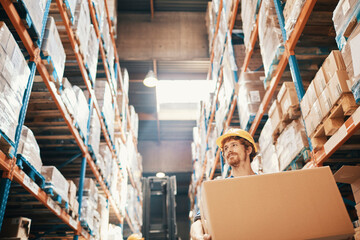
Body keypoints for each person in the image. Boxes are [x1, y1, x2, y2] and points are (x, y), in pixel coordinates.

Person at [190, 128, 258, 240]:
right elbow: (198, 222)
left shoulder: (263, 184)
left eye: (234, 145)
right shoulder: (218, 190)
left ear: (248, 149)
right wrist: (198, 236)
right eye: (225, 148)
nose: (229, 150)